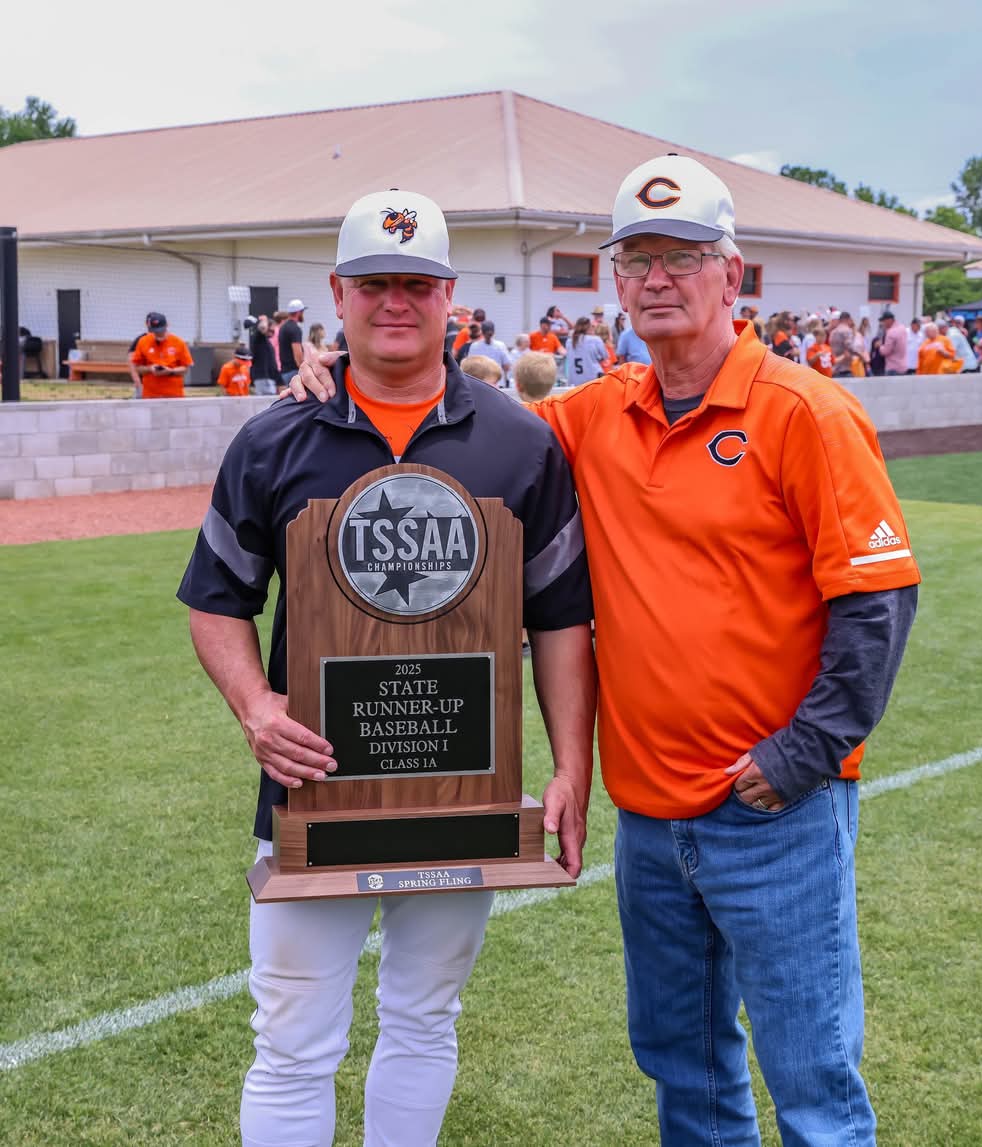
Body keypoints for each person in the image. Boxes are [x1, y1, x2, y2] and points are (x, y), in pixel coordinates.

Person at [293, 155, 920, 1146]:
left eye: (683, 257)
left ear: (732, 273)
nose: (658, 278)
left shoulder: (805, 412)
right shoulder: (597, 414)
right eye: (638, 259)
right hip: (652, 819)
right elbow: (470, 436)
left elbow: (880, 599)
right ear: (617, 278)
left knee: (812, 1078)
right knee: (686, 1067)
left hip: (776, 811)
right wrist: (351, 373)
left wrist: (800, 755)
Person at [180, 187, 595, 1147]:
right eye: (374, 284)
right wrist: (254, 704)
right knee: (291, 1039)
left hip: (462, 785)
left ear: (450, 296)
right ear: (339, 293)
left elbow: (562, 619)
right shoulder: (278, 434)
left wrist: (573, 766)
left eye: (415, 283)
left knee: (423, 1019)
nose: (394, 302)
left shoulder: (519, 440)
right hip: (316, 784)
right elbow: (216, 597)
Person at [130, 313, 193, 398]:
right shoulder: (143, 342)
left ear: (167, 325)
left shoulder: (178, 343)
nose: (158, 334)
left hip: (174, 394)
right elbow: (137, 367)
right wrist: (150, 369)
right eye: (155, 331)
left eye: (161, 330)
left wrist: (170, 371)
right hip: (150, 395)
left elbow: (185, 369)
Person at [563, 316, 608, 386]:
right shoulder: (595, 340)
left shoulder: (569, 342)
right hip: (592, 379)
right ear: (589, 327)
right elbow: (605, 356)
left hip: (574, 381)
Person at [250, 315, 283, 396]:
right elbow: (262, 328)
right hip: (262, 377)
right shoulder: (259, 338)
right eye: (271, 329)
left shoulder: (268, 343)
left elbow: (272, 363)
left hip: (270, 378)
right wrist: (265, 320)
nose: (272, 332)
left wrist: (279, 380)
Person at [277, 299, 306, 385]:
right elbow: (297, 352)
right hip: (293, 372)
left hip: (284, 371)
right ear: (299, 312)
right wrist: (303, 369)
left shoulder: (283, 328)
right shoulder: (295, 329)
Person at [879, 311, 907, 375]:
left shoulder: (891, 332)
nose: (883, 323)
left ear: (889, 320)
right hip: (903, 366)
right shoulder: (902, 328)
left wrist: (880, 346)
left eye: (883, 321)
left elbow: (886, 351)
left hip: (892, 368)